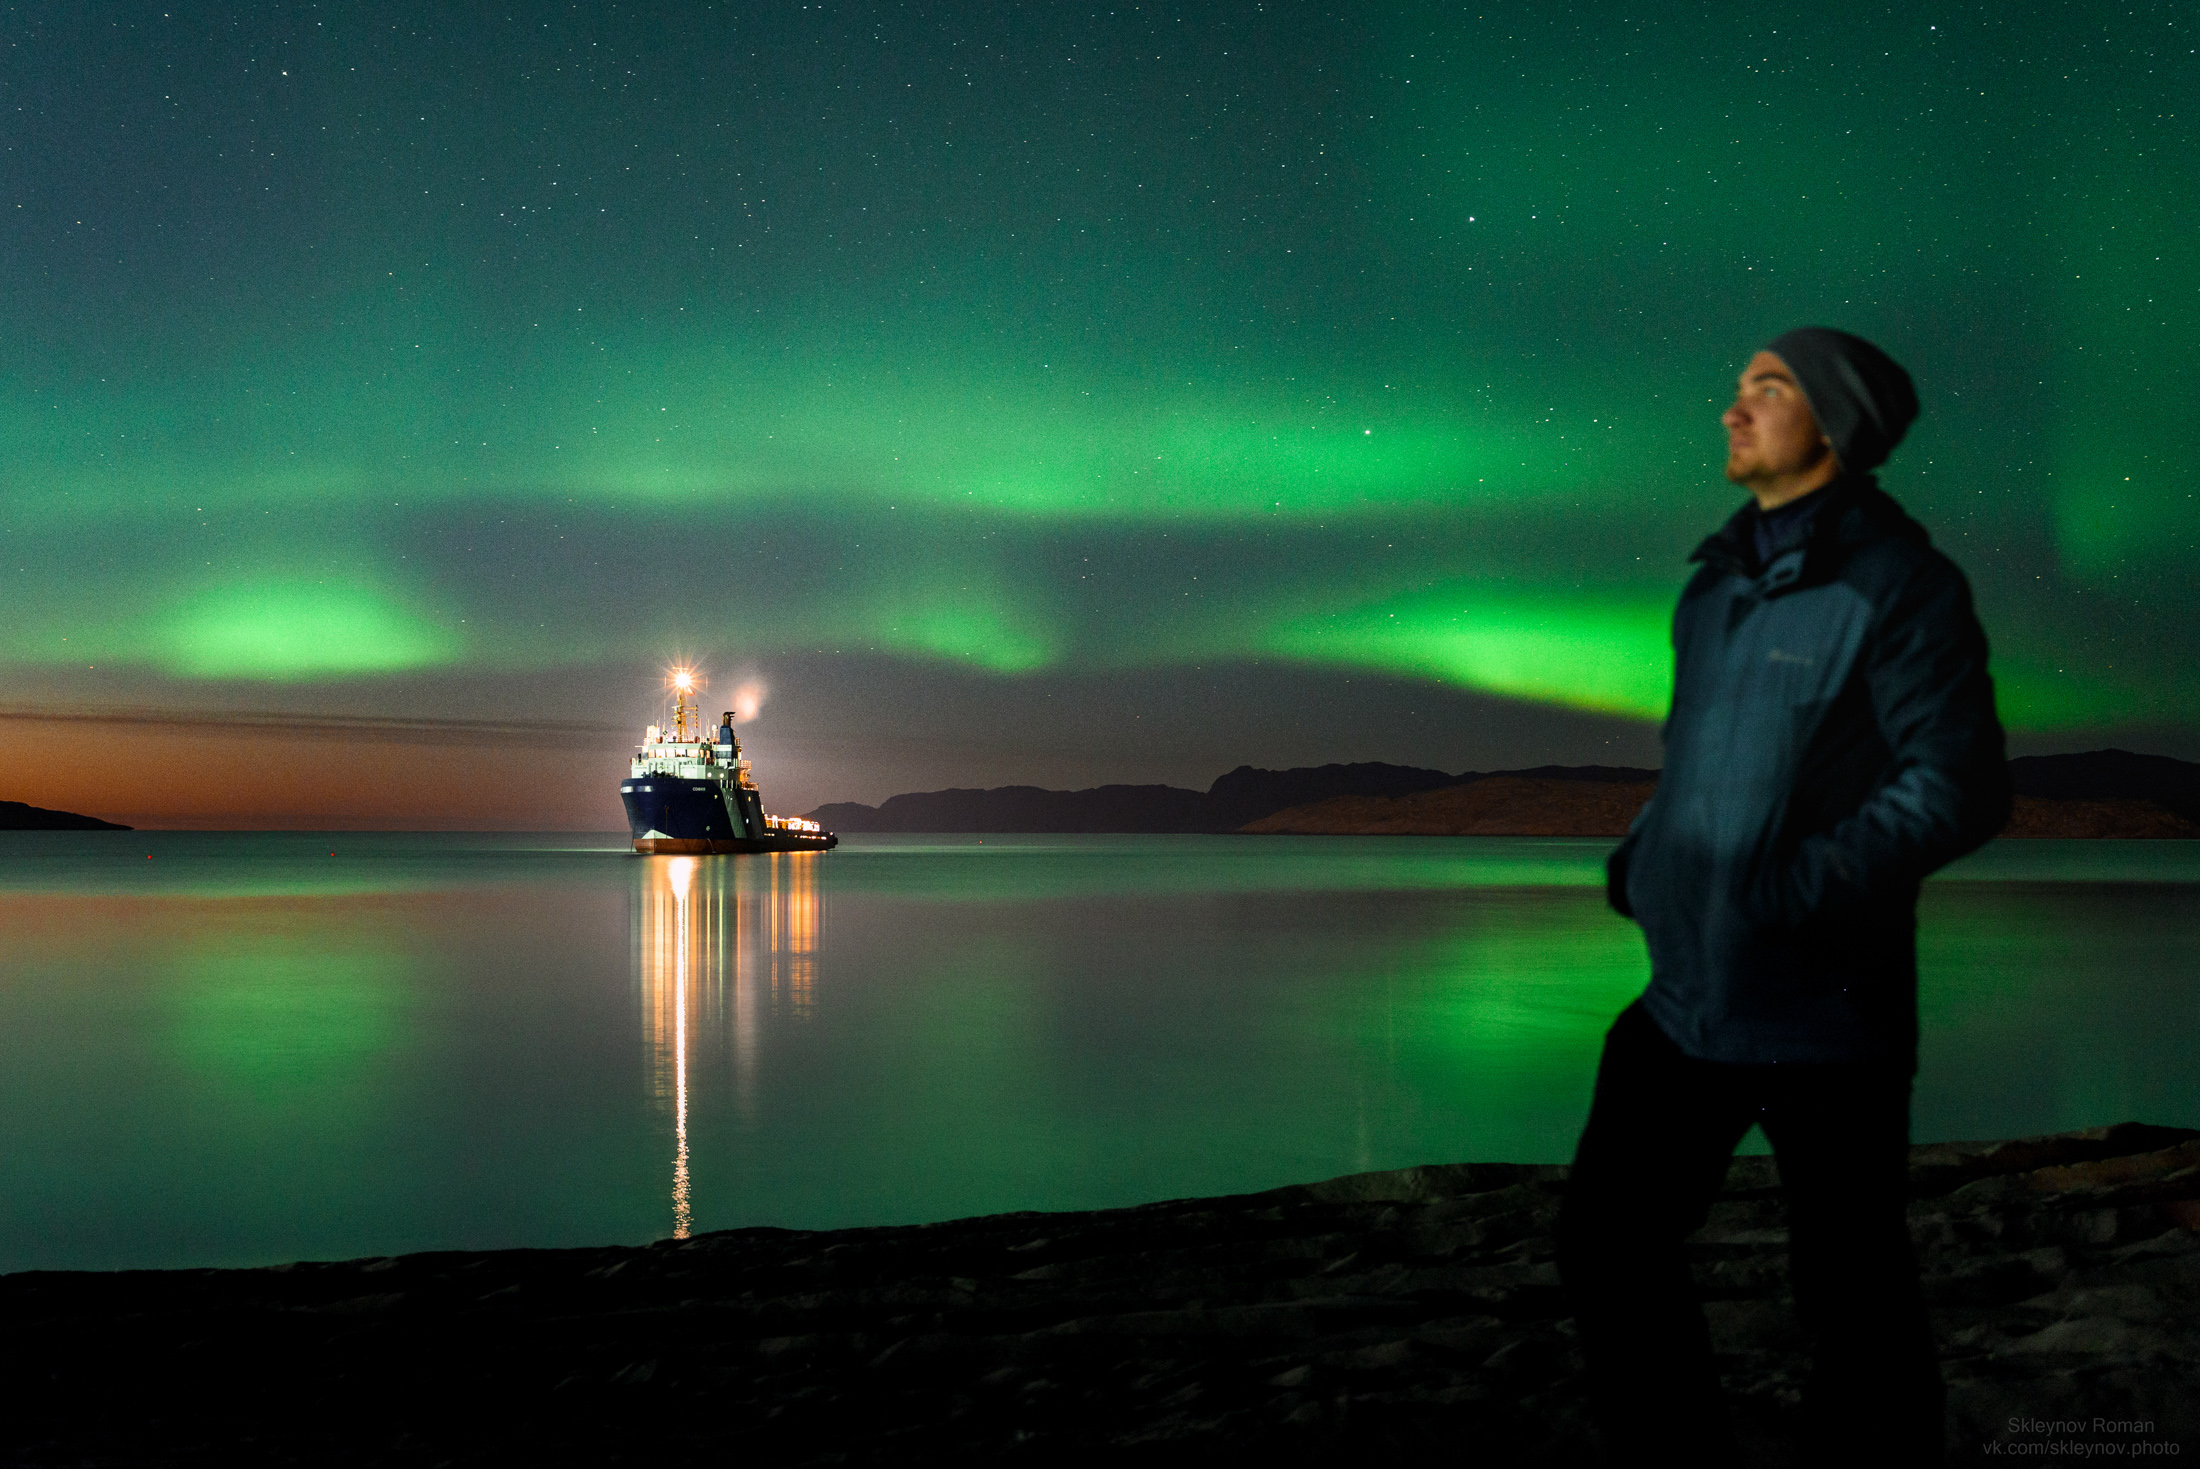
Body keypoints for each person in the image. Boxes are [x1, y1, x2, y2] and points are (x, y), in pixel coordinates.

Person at [1555, 328, 2011, 1467]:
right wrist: (1645, 856)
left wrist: (1791, 890)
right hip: (1685, 999)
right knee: (1607, 1240)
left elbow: (1956, 787)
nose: (1733, 407)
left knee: (1851, 1294)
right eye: (1738, 385)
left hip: (1824, 1015)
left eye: (1769, 388)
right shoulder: (1711, 588)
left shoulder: (1897, 585)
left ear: (1836, 427)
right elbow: (1696, 761)